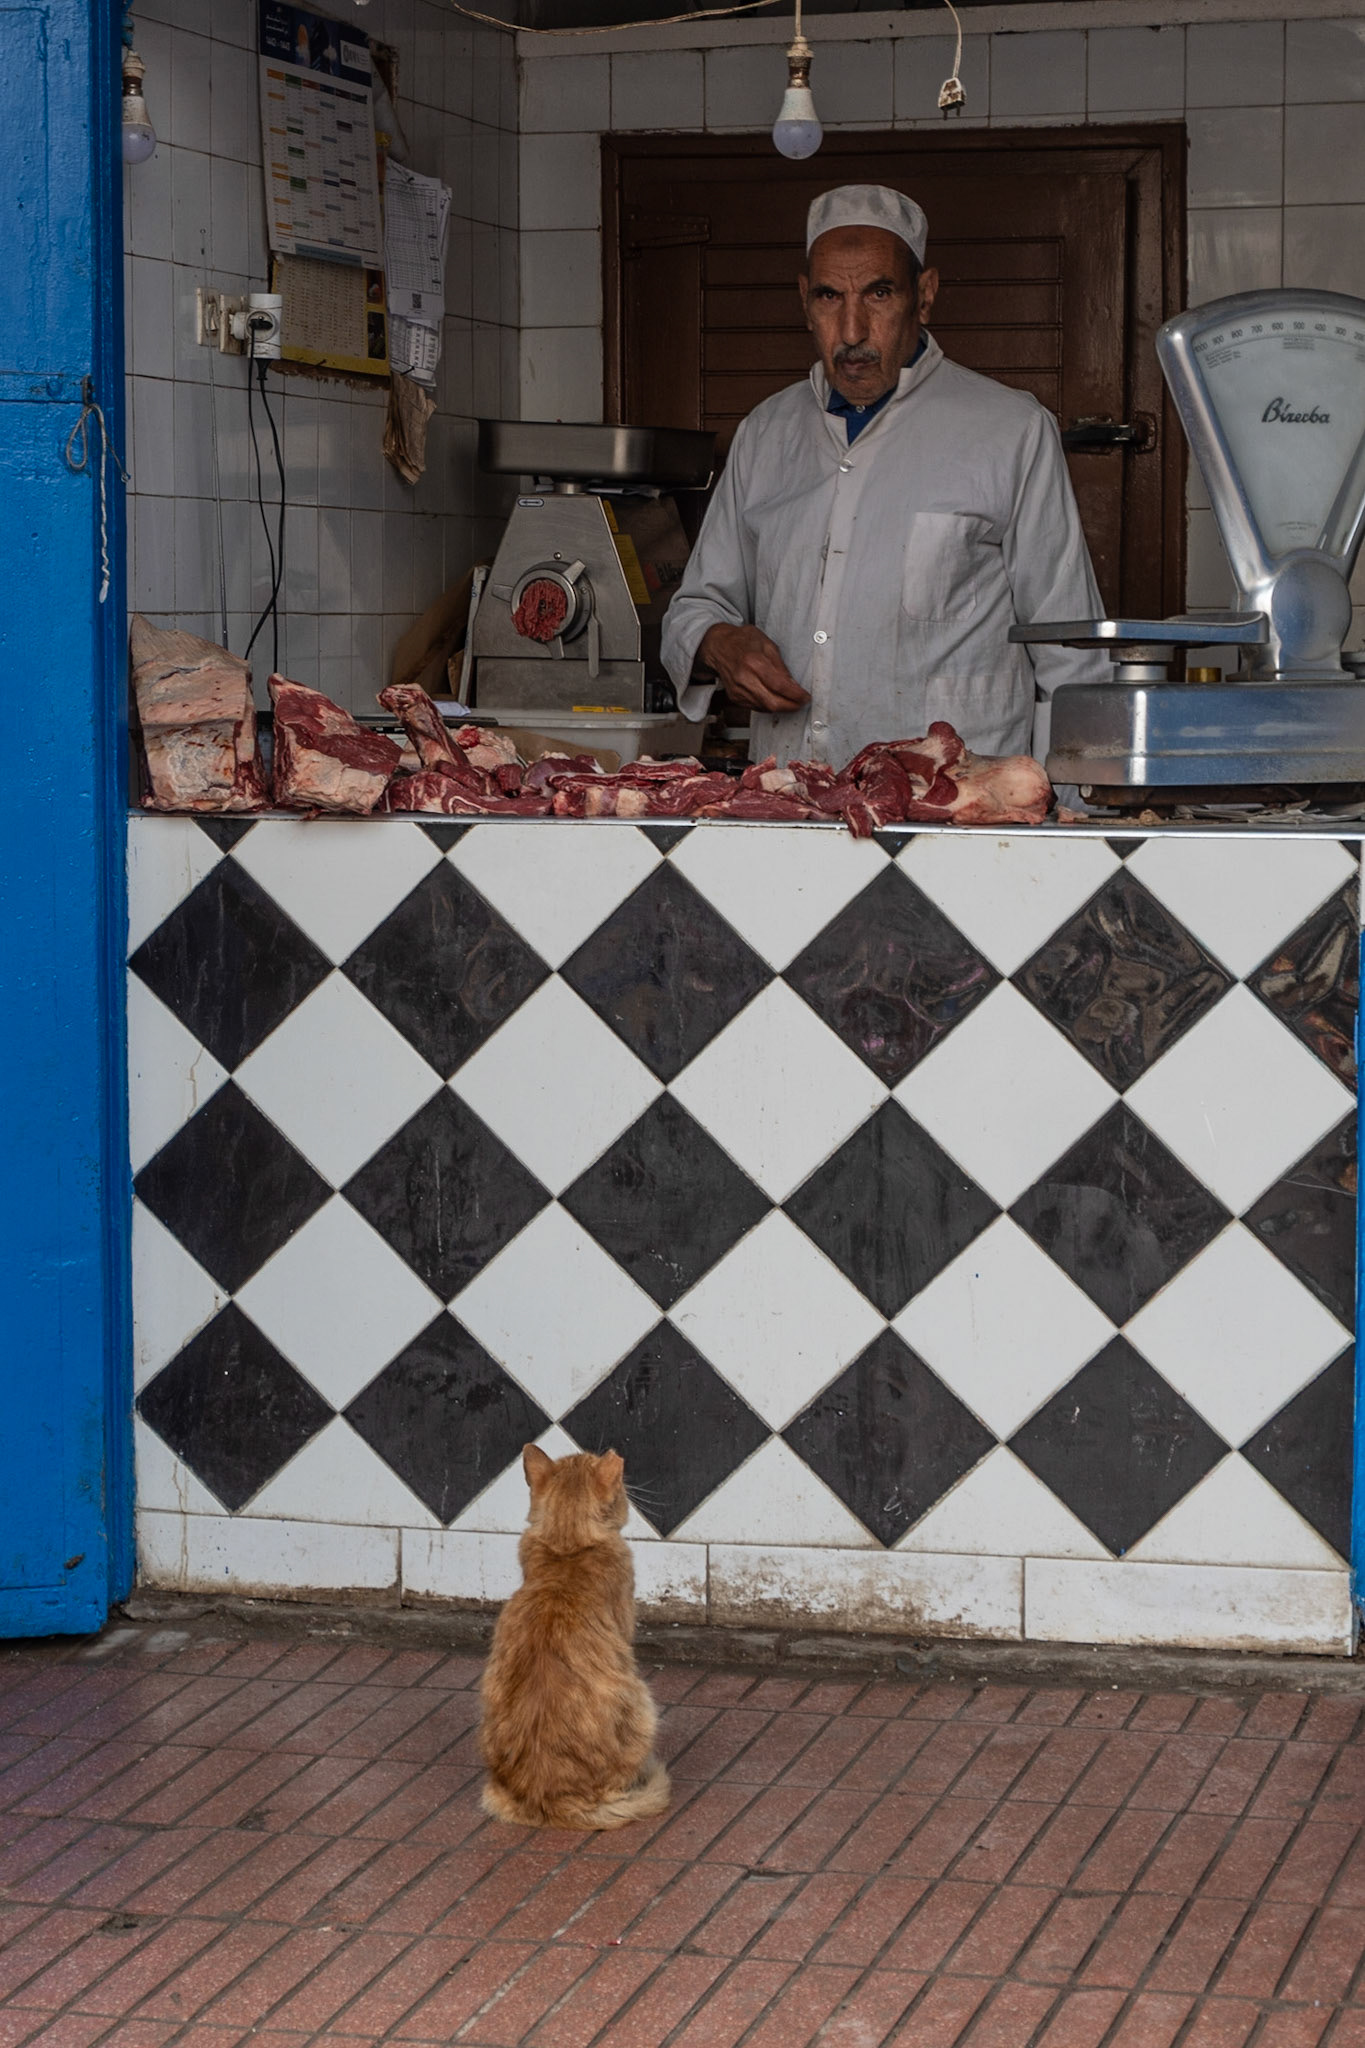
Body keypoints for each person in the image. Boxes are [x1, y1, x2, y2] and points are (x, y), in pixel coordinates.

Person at [661, 183, 1108, 767]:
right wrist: (717, 644)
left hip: (955, 818)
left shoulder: (1011, 430)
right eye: (828, 297)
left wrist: (1072, 814)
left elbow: (1071, 649)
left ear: (924, 297)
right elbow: (695, 607)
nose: (851, 331)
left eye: (878, 293)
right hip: (796, 802)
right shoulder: (766, 435)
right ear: (804, 300)